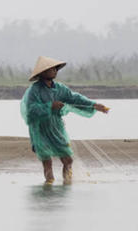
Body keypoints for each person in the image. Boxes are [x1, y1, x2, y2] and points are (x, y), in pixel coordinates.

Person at [21, 56, 108, 184]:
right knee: (47, 160)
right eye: (51, 69)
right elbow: (30, 110)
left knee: (67, 159)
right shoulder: (34, 91)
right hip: (40, 129)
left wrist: (94, 105)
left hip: (56, 127)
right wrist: (50, 106)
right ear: (42, 72)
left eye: (56, 69)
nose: (55, 71)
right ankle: (49, 184)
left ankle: (67, 183)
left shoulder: (60, 89)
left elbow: (74, 98)